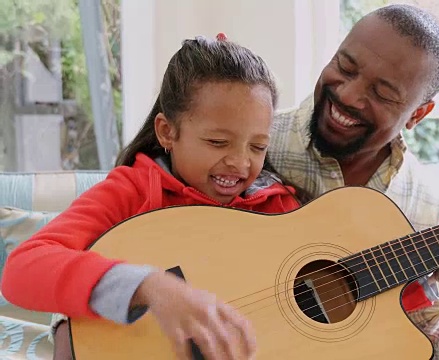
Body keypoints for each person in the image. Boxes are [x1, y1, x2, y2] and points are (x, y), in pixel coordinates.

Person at [0, 35, 301, 360]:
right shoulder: (131, 191)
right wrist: (151, 287)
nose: (241, 163)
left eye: (258, 146)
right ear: (167, 132)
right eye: (217, 142)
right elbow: (21, 268)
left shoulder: (279, 208)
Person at [266, 4, 439, 360]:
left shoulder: (426, 205)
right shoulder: (251, 139)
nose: (348, 95)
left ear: (418, 114)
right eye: (344, 67)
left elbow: (436, 348)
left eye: (382, 94)